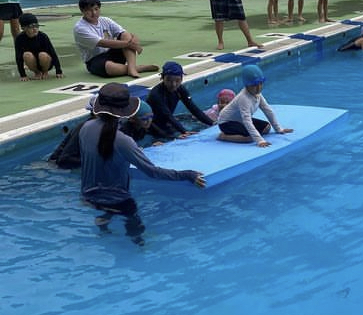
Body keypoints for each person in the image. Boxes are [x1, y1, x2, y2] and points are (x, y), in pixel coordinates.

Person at [79, 83, 205, 245]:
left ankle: (103, 227)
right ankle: (139, 244)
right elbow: (153, 172)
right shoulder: (123, 141)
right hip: (117, 198)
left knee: (106, 209)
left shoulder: (85, 128)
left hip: (88, 194)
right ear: (126, 112)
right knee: (133, 221)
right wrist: (187, 175)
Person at [73, 0, 158, 78]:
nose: (94, 13)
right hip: (95, 60)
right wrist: (131, 44)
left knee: (126, 35)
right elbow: (103, 43)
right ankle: (138, 68)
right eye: (89, 10)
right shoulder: (80, 28)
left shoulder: (105, 20)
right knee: (110, 67)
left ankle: (131, 68)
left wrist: (133, 38)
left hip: (112, 53)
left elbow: (124, 33)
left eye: (96, 9)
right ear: (82, 11)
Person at [217, 65, 293, 147]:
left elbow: (267, 110)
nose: (258, 88)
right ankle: (223, 136)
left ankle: (242, 132)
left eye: (261, 83)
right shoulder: (243, 98)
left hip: (239, 120)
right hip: (226, 122)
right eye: (254, 85)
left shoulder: (257, 94)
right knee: (249, 138)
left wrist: (279, 129)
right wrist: (259, 140)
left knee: (267, 128)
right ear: (247, 85)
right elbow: (247, 120)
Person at [146, 61, 214, 139]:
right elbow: (167, 115)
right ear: (162, 78)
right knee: (172, 137)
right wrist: (184, 131)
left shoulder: (180, 89)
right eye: (169, 80)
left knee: (191, 119)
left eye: (177, 80)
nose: (173, 84)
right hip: (152, 126)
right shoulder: (155, 94)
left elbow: (193, 108)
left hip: (166, 122)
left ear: (182, 79)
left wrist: (212, 123)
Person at [14, 13, 64, 81]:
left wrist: (58, 71)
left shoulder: (43, 36)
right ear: (23, 28)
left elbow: (53, 54)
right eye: (31, 27)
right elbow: (18, 57)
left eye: (36, 26)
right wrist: (23, 75)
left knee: (42, 55)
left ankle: (45, 71)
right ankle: (37, 72)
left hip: (46, 62)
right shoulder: (19, 39)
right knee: (27, 55)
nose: (35, 29)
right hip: (32, 62)